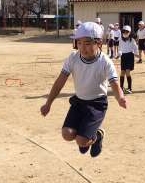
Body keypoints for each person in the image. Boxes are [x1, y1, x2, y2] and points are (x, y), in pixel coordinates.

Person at [41, 22, 127, 158]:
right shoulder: (73, 58)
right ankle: (86, 135)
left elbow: (114, 83)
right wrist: (48, 103)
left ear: (99, 43)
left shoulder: (105, 61)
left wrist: (120, 98)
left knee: (81, 141)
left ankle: (97, 136)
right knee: (67, 134)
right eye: (79, 43)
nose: (82, 47)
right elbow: (59, 82)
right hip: (79, 102)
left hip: (97, 104)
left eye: (87, 43)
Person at [118, 25, 139, 94]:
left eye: (127, 32)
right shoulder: (120, 40)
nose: (125, 33)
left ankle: (129, 88)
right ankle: (121, 88)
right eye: (124, 31)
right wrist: (119, 54)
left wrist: (136, 54)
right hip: (123, 56)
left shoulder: (132, 40)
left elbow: (135, 47)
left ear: (129, 33)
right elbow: (120, 48)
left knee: (127, 72)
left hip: (130, 56)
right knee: (122, 72)